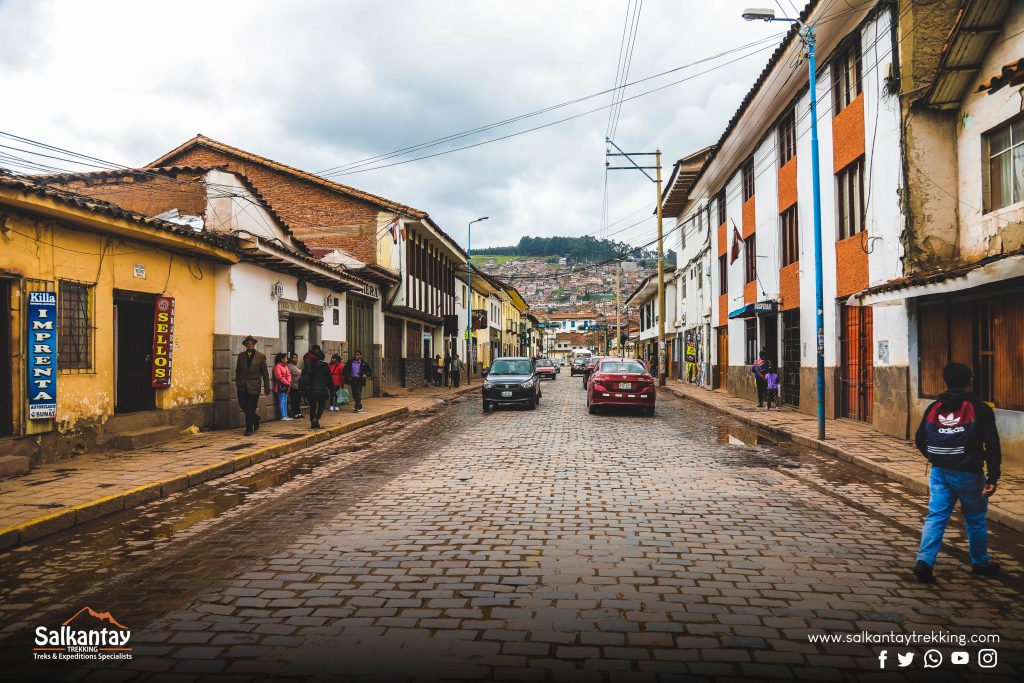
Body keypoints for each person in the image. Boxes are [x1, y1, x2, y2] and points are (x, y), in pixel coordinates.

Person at [913, 362, 1002, 583]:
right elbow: (992, 445)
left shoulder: (935, 406)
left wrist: (936, 457)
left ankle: (924, 561)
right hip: (970, 473)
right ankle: (980, 563)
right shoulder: (981, 409)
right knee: (975, 519)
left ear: (946, 381)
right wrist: (992, 477)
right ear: (969, 381)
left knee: (936, 516)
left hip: (939, 472)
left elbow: (919, 439)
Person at [234, 335, 270, 436]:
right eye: (248, 343)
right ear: (245, 345)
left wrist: (267, 388)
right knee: (243, 405)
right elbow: (238, 371)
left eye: (251, 343)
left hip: (254, 386)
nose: (250, 344)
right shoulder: (241, 356)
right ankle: (256, 418)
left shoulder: (261, 356)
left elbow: (265, 373)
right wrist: (238, 382)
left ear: (254, 344)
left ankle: (249, 428)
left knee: (250, 408)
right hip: (242, 386)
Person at [299, 349, 333, 429]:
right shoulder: (325, 366)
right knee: (321, 405)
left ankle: (313, 421)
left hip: (311, 389)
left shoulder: (309, 366)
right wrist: (331, 388)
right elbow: (329, 379)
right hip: (322, 389)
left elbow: (304, 378)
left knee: (313, 406)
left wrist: (304, 389)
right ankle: (316, 418)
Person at [272, 352, 293, 421]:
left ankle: (286, 415)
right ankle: (282, 416)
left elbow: (289, 374)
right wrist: (287, 383)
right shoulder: (277, 367)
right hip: (280, 387)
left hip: (286, 386)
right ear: (282, 359)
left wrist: (289, 382)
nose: (287, 359)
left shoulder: (286, 366)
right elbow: (279, 377)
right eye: (286, 358)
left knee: (285, 401)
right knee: (282, 401)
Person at [287, 352, 302, 418]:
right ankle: (295, 413)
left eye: (296, 357)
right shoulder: (289, 366)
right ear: (290, 358)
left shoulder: (296, 366)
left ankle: (298, 413)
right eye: (293, 358)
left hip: (298, 386)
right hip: (293, 386)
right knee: (294, 400)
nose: (295, 359)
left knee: (298, 400)